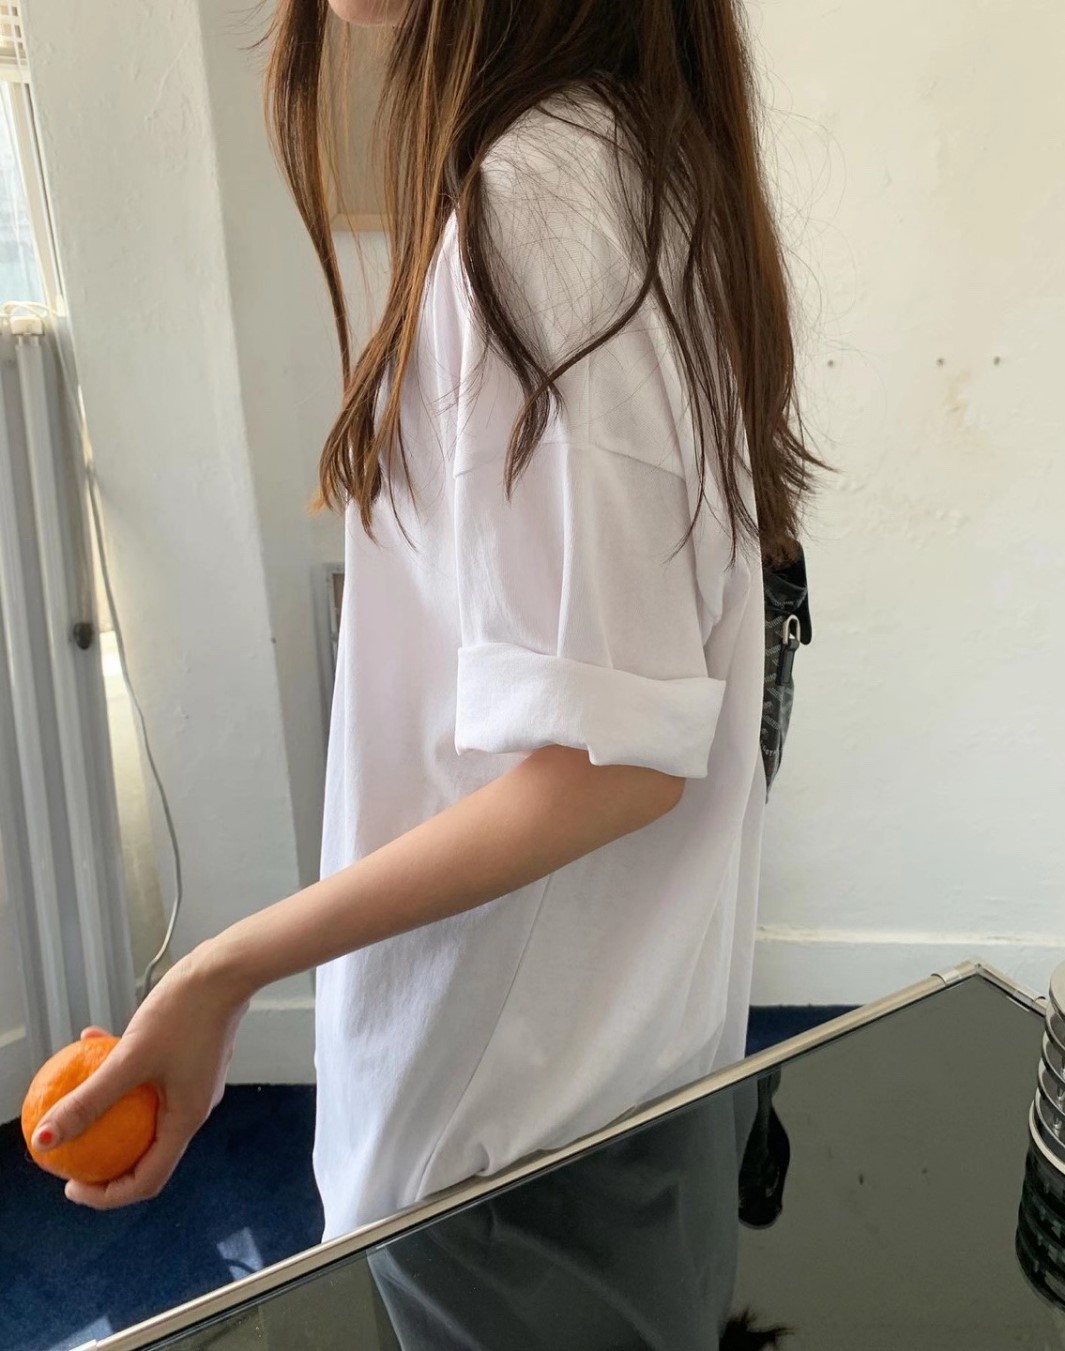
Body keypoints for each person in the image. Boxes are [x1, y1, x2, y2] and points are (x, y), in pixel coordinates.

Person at [31, 0, 820, 1264]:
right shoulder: (608, 162)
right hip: (559, 1100)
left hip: (505, 1135)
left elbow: (610, 766)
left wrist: (222, 968)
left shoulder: (546, 198)